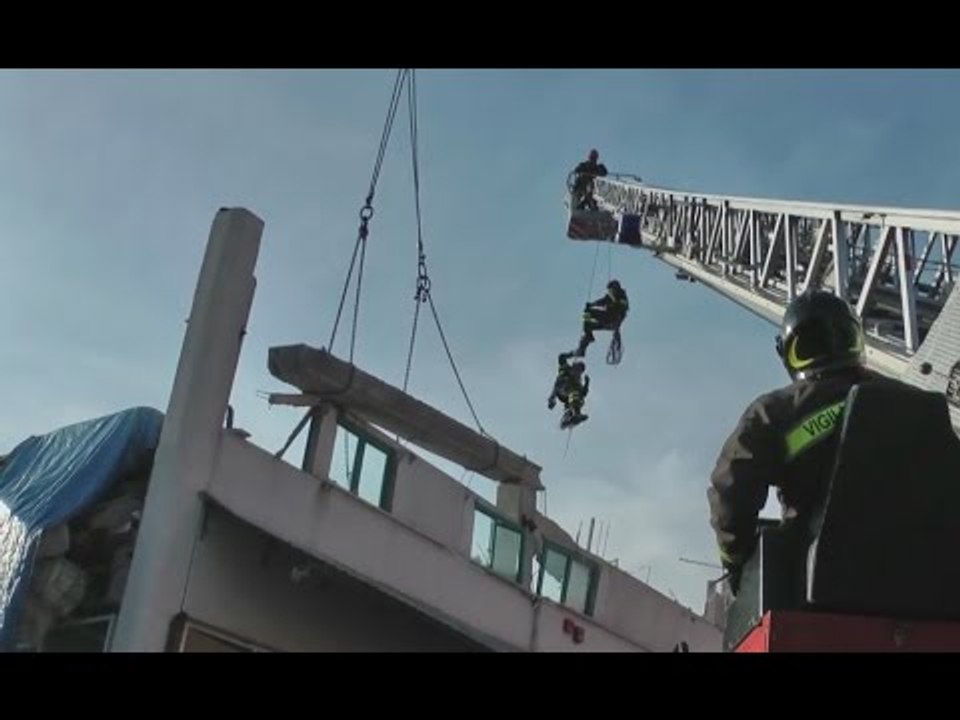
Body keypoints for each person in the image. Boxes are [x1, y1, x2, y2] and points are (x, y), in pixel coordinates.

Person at [707, 290, 906, 594]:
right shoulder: (912, 402)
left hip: (823, 588)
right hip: (932, 589)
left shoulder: (774, 413)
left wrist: (737, 563)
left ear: (788, 352)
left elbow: (731, 496)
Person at [576, 280, 629, 357]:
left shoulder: (622, 296)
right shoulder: (611, 296)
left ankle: (588, 337)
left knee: (590, 312)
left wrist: (614, 301)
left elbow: (622, 306)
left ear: (616, 288)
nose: (610, 291)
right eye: (610, 290)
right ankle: (585, 344)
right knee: (587, 322)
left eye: (611, 289)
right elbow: (602, 301)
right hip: (606, 321)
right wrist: (592, 304)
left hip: (612, 320)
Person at [547, 352, 590, 428]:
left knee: (577, 395)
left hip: (568, 397)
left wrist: (587, 383)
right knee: (572, 391)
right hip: (561, 391)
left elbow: (583, 393)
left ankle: (572, 415)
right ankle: (574, 413)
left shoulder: (577, 382)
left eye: (580, 371)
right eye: (577, 369)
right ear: (574, 367)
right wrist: (573, 354)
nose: (578, 372)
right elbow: (561, 357)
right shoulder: (567, 369)